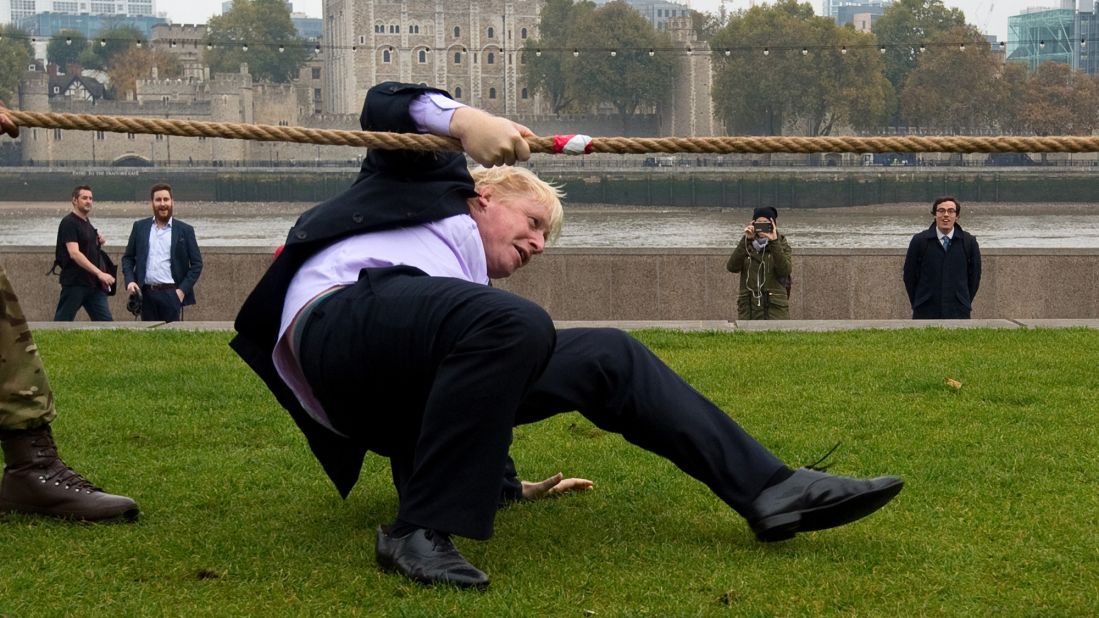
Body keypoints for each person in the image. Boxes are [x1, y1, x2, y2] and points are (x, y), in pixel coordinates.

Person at [230, 82, 904, 589]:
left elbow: (457, 391)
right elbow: (385, 104)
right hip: (339, 327)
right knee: (514, 322)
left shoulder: (469, 306)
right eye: (531, 224)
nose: (537, 245)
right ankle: (414, 533)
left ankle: (770, 490)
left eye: (544, 238)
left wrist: (505, 483)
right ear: (485, 197)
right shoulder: (433, 181)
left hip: (395, 389)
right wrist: (468, 122)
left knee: (607, 352)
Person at [121, 184, 203, 322]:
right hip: (145, 294)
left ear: (172, 201)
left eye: (166, 199)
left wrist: (181, 291)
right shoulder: (139, 227)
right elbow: (128, 258)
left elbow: (197, 264)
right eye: (158, 200)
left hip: (171, 294)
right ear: (152, 203)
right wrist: (130, 281)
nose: (163, 204)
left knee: (172, 339)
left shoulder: (185, 230)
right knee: (147, 339)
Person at [902, 196, 982, 319]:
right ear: (934, 215)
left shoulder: (969, 242)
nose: (946, 215)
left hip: (958, 310)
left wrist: (963, 301)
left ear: (957, 216)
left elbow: (974, 277)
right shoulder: (919, 241)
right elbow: (909, 276)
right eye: (941, 211)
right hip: (925, 309)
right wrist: (919, 301)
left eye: (951, 211)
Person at [52, 185, 114, 321]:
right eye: (84, 198)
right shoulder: (69, 222)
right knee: (62, 323)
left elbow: (86, 246)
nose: (88, 201)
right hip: (75, 283)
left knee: (107, 325)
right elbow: (74, 253)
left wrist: (98, 240)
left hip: (94, 285)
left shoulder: (87, 222)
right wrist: (100, 273)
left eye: (91, 198)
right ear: (74, 200)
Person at [726, 207, 792, 320]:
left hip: (774, 310)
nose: (761, 227)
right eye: (758, 223)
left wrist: (774, 242)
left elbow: (784, 270)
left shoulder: (781, 244)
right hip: (749, 308)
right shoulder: (747, 244)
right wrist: (746, 240)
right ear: (753, 224)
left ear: (773, 225)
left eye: (765, 223)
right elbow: (732, 267)